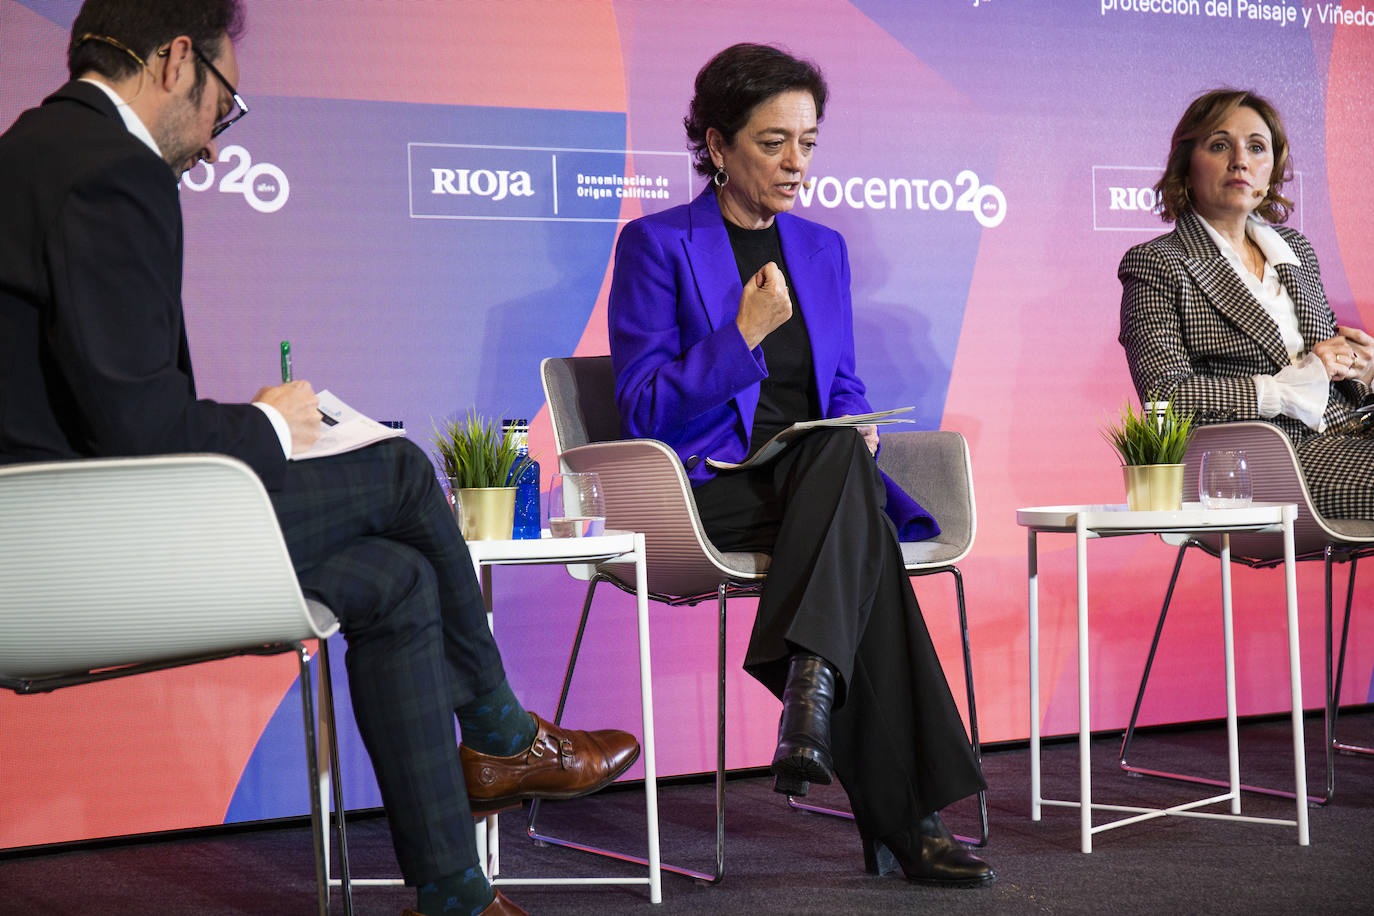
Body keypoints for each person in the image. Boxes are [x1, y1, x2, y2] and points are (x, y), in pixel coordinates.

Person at [0, 3, 640, 915]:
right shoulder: (112, 170)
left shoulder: (30, 151)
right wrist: (269, 424)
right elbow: (137, 433)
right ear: (179, 60)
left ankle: (456, 894)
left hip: (48, 539)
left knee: (394, 578)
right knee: (402, 472)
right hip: (92, 554)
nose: (220, 142)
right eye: (228, 101)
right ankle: (501, 733)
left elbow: (90, 405)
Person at [607, 43, 994, 887]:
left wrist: (858, 422)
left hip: (816, 485)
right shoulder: (656, 246)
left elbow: (841, 380)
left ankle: (815, 698)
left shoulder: (821, 249)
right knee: (859, 539)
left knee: (837, 462)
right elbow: (640, 408)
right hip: (709, 490)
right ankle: (904, 812)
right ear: (716, 146)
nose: (796, 164)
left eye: (809, 143)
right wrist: (740, 336)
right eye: (773, 142)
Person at [1119, 88, 1374, 520]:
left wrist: (1363, 370)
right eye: (1220, 145)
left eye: (1256, 147)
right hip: (1266, 460)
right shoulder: (1157, 264)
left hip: (1352, 432)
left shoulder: (1296, 250)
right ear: (1186, 166)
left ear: (1271, 170)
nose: (1241, 160)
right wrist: (1294, 381)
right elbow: (1165, 395)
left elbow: (1332, 373)